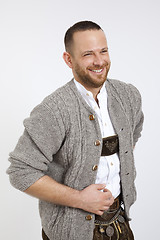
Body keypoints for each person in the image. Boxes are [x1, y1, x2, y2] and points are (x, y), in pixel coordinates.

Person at [7, 21, 144, 240]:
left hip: (120, 222)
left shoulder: (128, 96)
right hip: (70, 231)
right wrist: (80, 199)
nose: (99, 61)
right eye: (88, 54)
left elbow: (134, 129)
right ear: (68, 59)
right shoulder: (54, 110)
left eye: (103, 51)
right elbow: (21, 172)